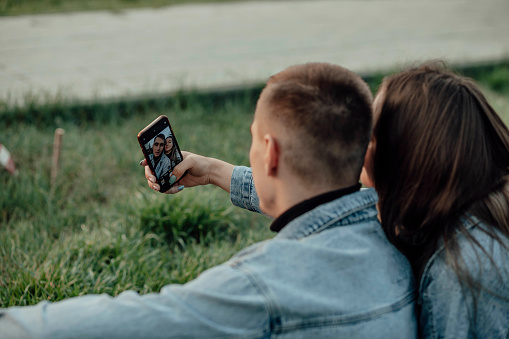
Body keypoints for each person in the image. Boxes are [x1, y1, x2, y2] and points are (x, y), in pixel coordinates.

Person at [0, 62, 417, 338]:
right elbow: (321, 200)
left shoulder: (262, 287)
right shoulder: (400, 226)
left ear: (270, 153)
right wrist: (218, 172)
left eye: (253, 139)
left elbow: (142, 319)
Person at [360, 62, 509, 338]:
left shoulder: (461, 272)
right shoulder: (444, 212)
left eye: (372, 132)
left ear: (407, 156)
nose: (361, 141)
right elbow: (321, 200)